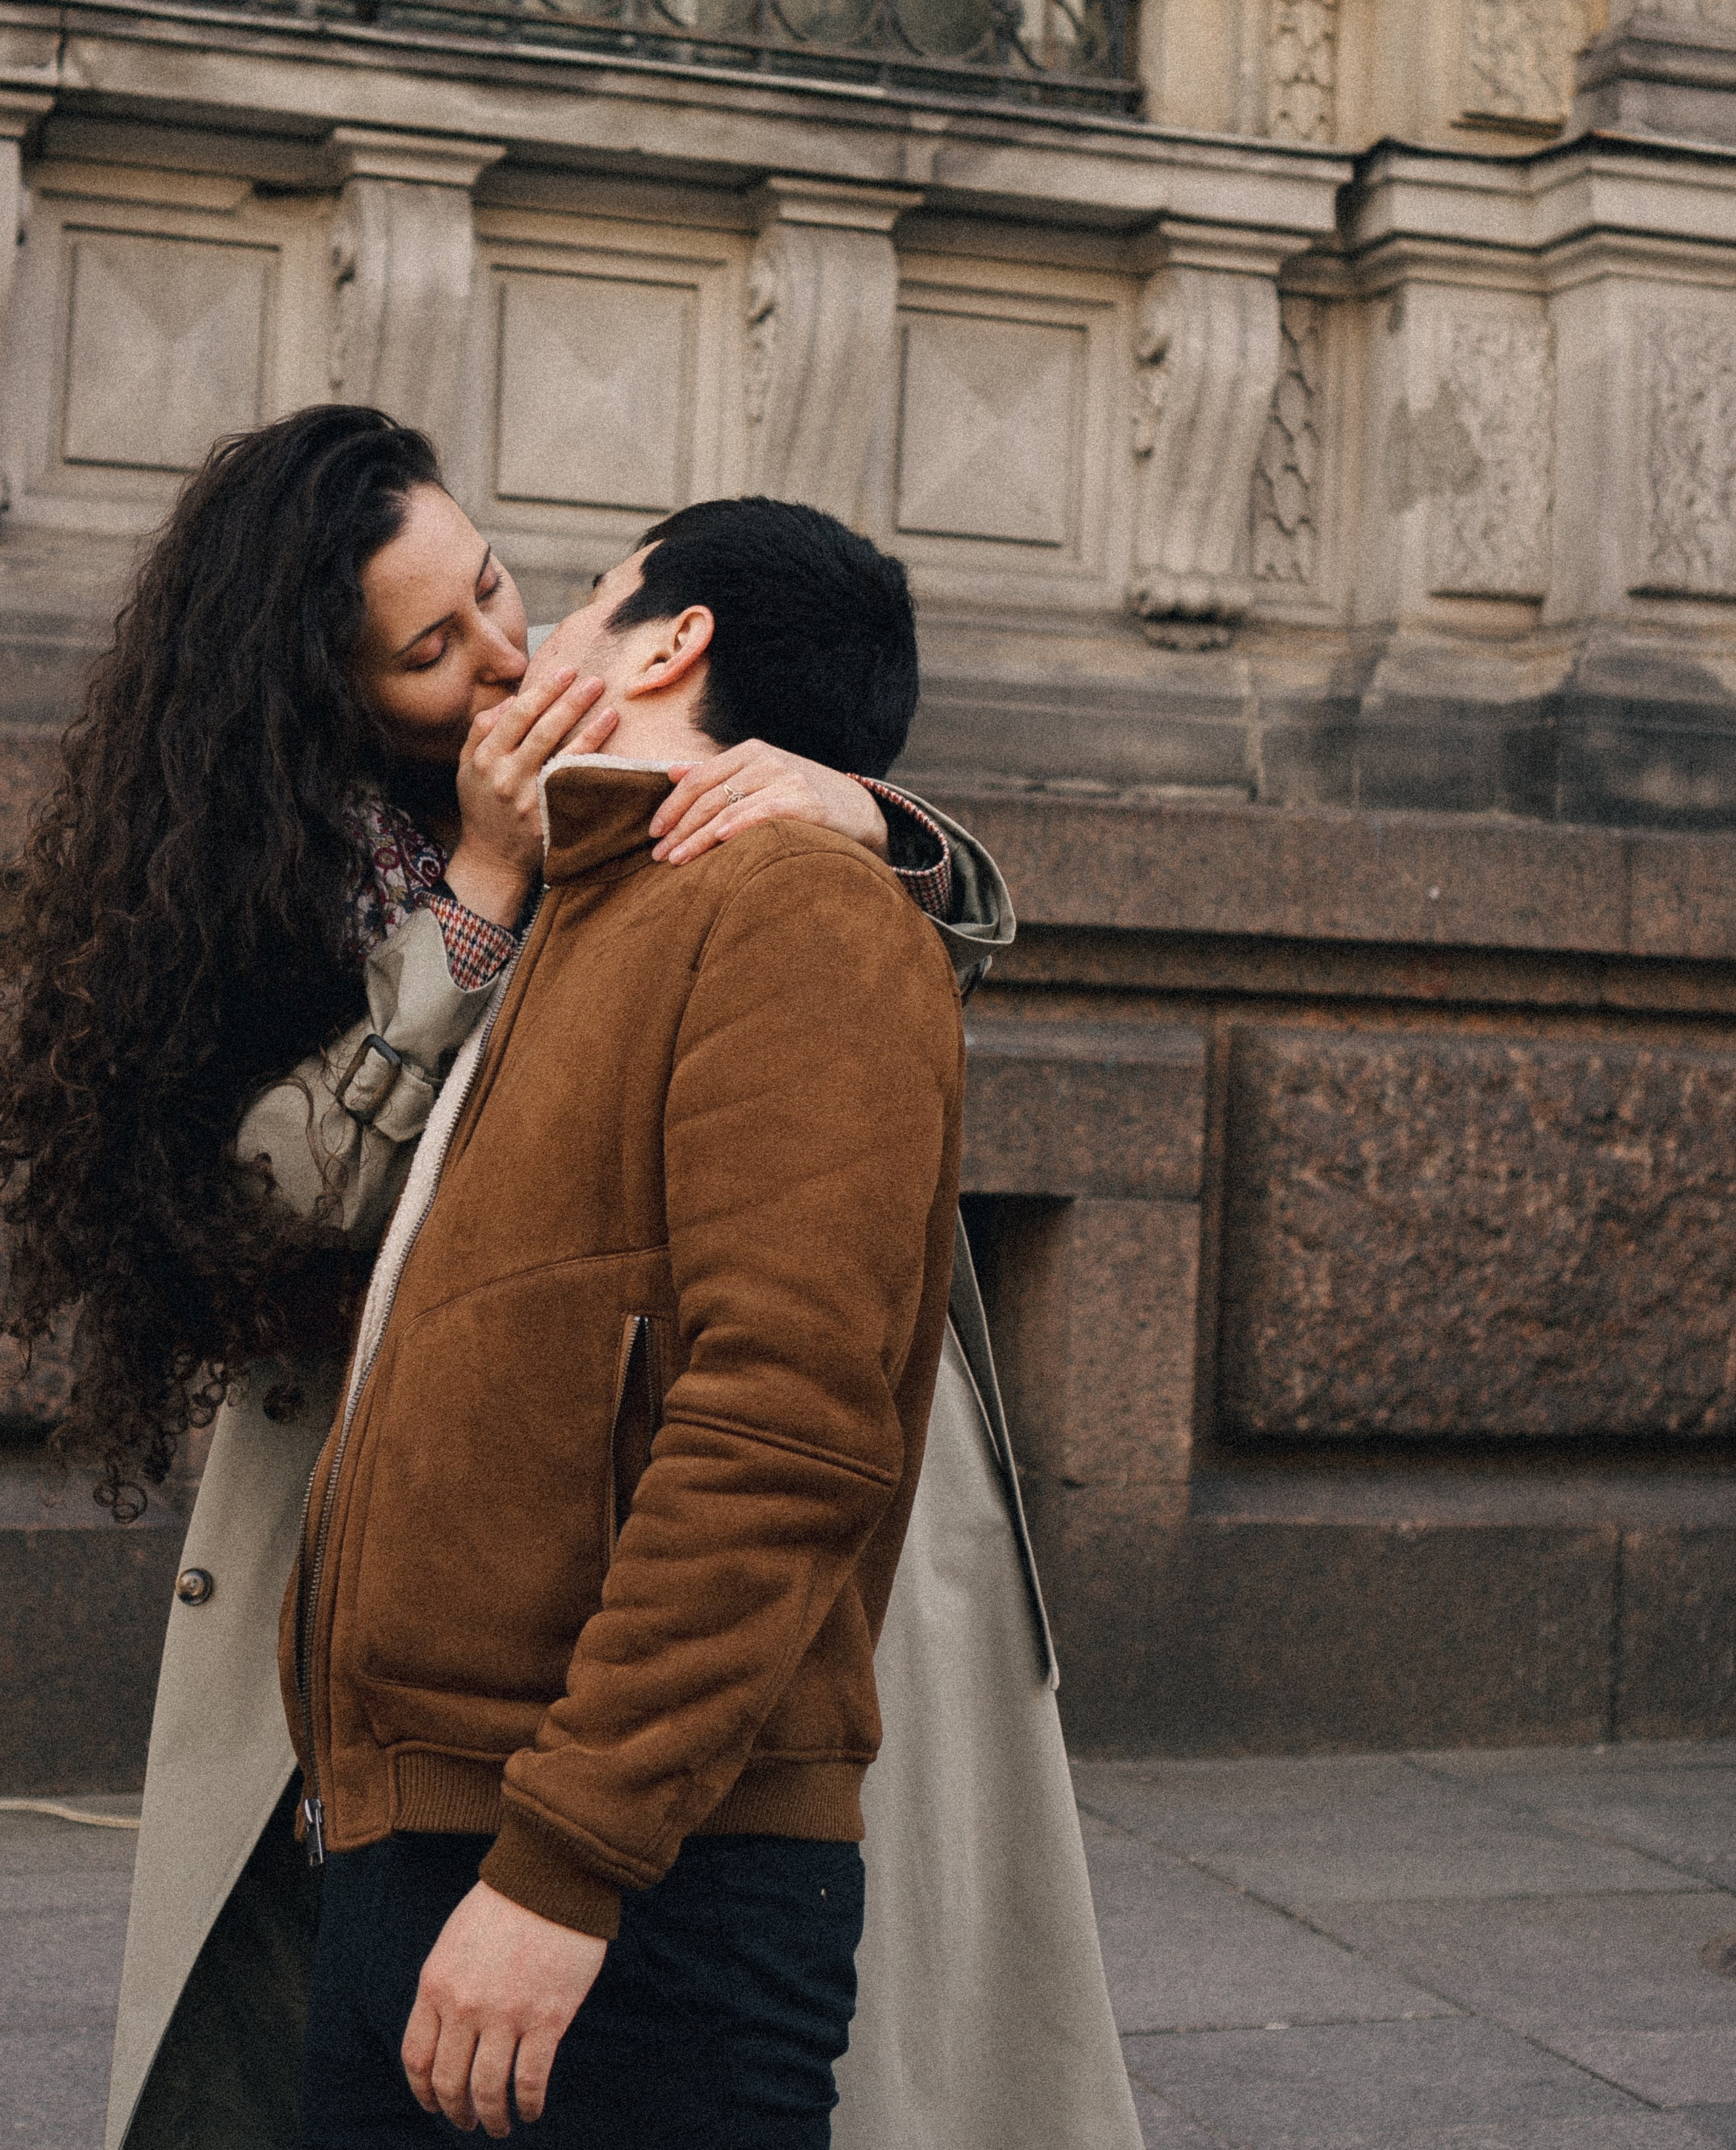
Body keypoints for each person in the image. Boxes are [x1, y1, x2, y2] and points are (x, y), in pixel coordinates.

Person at [0, 407, 1139, 2150]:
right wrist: (476, 888)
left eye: (503, 590)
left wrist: (875, 821)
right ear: (321, 691)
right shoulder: (260, 873)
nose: (505, 656)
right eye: (429, 649)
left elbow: (825, 1006)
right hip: (397, 1559)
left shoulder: (730, 850)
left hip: (691, 1600)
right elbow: (273, 1192)